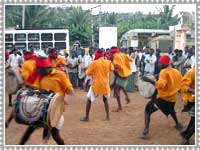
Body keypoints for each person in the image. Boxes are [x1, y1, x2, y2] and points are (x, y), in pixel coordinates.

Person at [19, 56, 73, 145]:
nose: (37, 72)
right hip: (41, 110)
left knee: (55, 135)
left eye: (39, 69)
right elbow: (36, 89)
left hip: (55, 111)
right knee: (29, 130)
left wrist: (65, 93)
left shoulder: (60, 75)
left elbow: (69, 89)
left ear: (45, 68)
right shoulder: (40, 76)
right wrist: (33, 88)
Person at [139, 55, 183, 139]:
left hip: (163, 99)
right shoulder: (176, 71)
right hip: (173, 98)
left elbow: (161, 85)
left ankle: (145, 131)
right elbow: (179, 81)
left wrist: (148, 80)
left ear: (164, 64)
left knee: (147, 110)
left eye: (160, 62)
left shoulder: (163, 72)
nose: (158, 64)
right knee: (171, 110)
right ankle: (178, 124)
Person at [80, 49, 114, 121]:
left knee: (89, 99)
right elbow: (112, 69)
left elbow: (87, 73)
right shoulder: (108, 62)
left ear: (97, 54)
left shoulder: (94, 63)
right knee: (105, 100)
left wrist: (94, 72)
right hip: (105, 84)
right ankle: (108, 116)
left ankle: (87, 117)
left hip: (96, 84)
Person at [109, 46, 133, 111]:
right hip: (126, 74)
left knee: (117, 90)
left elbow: (118, 66)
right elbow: (131, 59)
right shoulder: (122, 54)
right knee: (120, 86)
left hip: (121, 74)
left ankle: (120, 106)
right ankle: (127, 97)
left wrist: (115, 67)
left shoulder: (116, 56)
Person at [180, 67, 195, 145]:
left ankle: (185, 133)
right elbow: (183, 86)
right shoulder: (192, 72)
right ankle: (186, 137)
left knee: (194, 120)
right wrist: (194, 90)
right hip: (192, 100)